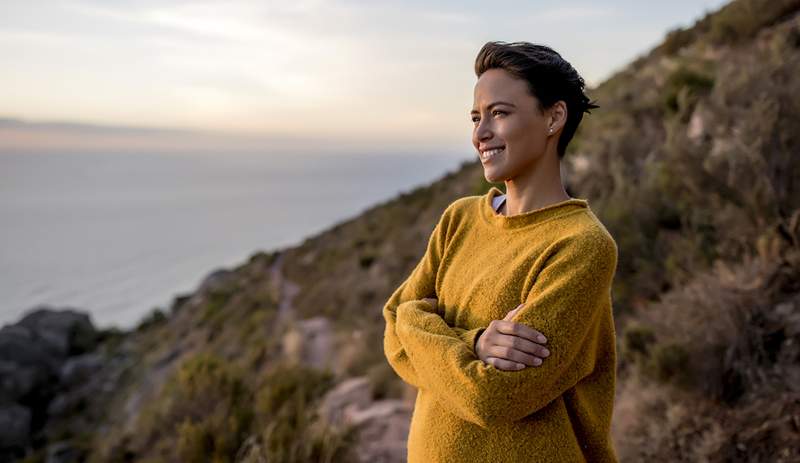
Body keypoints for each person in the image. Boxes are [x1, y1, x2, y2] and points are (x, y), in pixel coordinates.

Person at [382, 41, 618, 462]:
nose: (480, 133)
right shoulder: (460, 219)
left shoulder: (580, 245)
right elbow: (393, 330)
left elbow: (491, 398)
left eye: (500, 113)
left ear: (553, 117)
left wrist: (418, 321)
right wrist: (473, 344)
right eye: (476, 117)